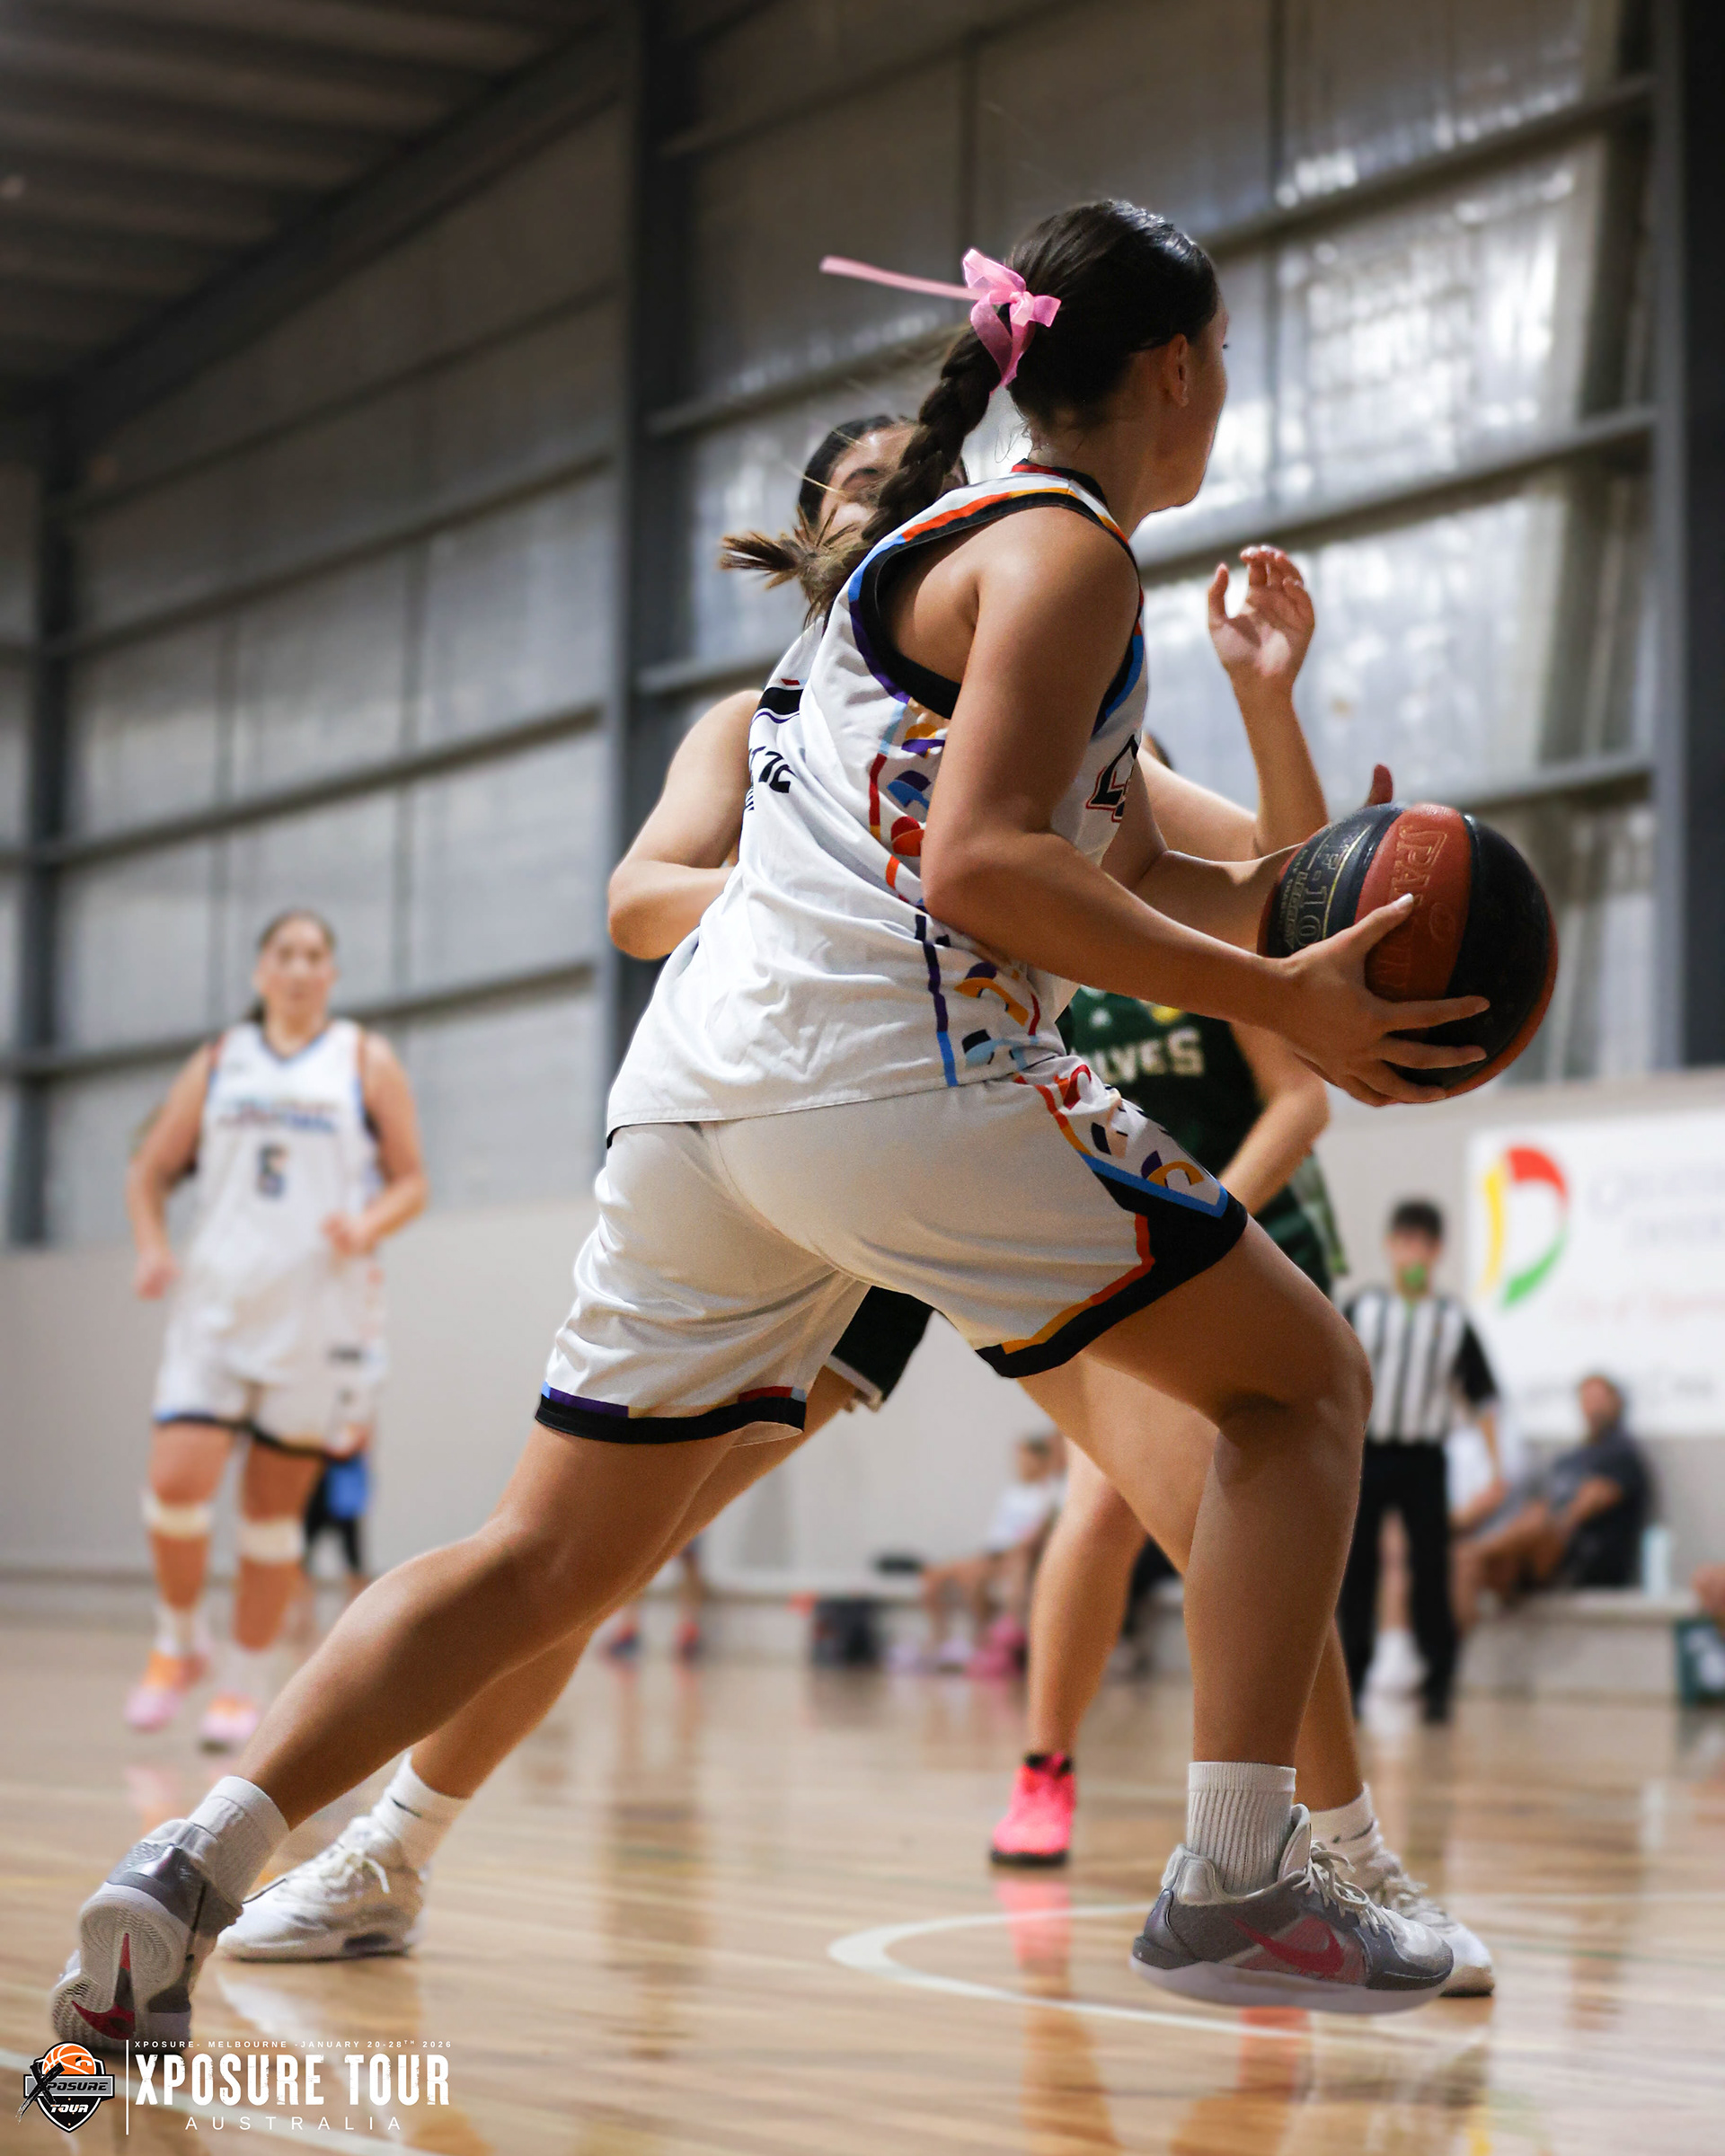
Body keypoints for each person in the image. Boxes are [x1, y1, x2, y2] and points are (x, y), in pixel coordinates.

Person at [56, 200, 1495, 2049]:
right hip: (903, 1084)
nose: (1226, 383)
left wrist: (1297, 933)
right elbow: (984, 870)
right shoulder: (1063, 556)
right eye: (1221, 353)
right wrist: (1278, 1003)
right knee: (1299, 1393)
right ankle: (1241, 1877)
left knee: (546, 1556)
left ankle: (194, 1862)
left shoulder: (954, 574)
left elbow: (1149, 863)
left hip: (701, 1112)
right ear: (1172, 368)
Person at [119, 910, 428, 1752]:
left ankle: (245, 1683)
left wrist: (366, 1224)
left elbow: (412, 1182)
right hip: (216, 1308)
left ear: (332, 974)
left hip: (315, 1315)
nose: (298, 967)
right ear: (260, 973)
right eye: (284, 954)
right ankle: (178, 1640)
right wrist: (152, 1248)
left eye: (313, 955)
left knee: (271, 1514)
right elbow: (149, 1170)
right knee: (175, 1485)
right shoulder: (222, 1059)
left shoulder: (363, 1059)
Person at [1337, 1198, 1500, 1725]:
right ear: (1390, 1247)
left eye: (1423, 1244)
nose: (1413, 1253)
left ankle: (1438, 1684)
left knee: (1431, 1569)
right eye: (1404, 1241)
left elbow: (1483, 1397)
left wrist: (1495, 1471)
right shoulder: (1363, 1308)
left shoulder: (1452, 1320)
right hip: (1368, 1455)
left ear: (1437, 1252)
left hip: (1426, 1460)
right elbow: (1334, 1376)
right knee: (1356, 1569)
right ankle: (1351, 1682)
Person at [1453, 1374, 1650, 1624]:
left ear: (1616, 1403)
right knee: (1478, 1567)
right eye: (1587, 1399)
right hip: (1537, 1558)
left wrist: (1555, 1523)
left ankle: (1479, 1551)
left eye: (1600, 1399)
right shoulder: (1568, 1459)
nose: (1593, 1407)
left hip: (1581, 1561)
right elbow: (1542, 1502)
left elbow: (1592, 1499)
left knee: (1529, 1526)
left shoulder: (1621, 1453)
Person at [917, 1433, 1065, 1673]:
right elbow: (995, 1536)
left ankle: (985, 1641)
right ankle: (940, 1639)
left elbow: (1035, 1538)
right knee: (933, 1575)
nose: (1019, 1464)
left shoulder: (1051, 1494)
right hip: (991, 1553)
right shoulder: (1012, 1492)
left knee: (975, 1578)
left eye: (1025, 1458)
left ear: (1040, 1460)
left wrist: (1008, 1556)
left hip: (1016, 1556)